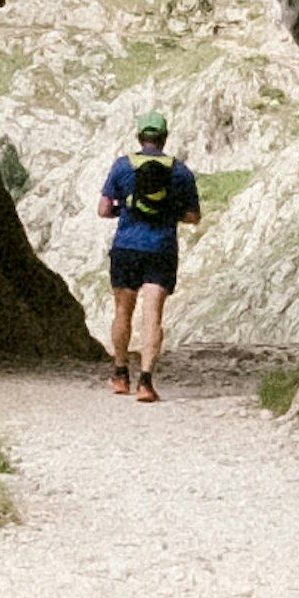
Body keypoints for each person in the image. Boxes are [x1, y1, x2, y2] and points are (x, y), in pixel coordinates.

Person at [98, 106, 201, 398]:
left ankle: (120, 375)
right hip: (161, 249)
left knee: (122, 311)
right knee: (152, 316)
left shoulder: (121, 166)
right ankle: (145, 381)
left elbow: (104, 210)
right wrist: (171, 212)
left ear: (139, 136)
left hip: (127, 247)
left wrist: (126, 207)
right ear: (165, 138)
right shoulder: (180, 171)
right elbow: (193, 216)